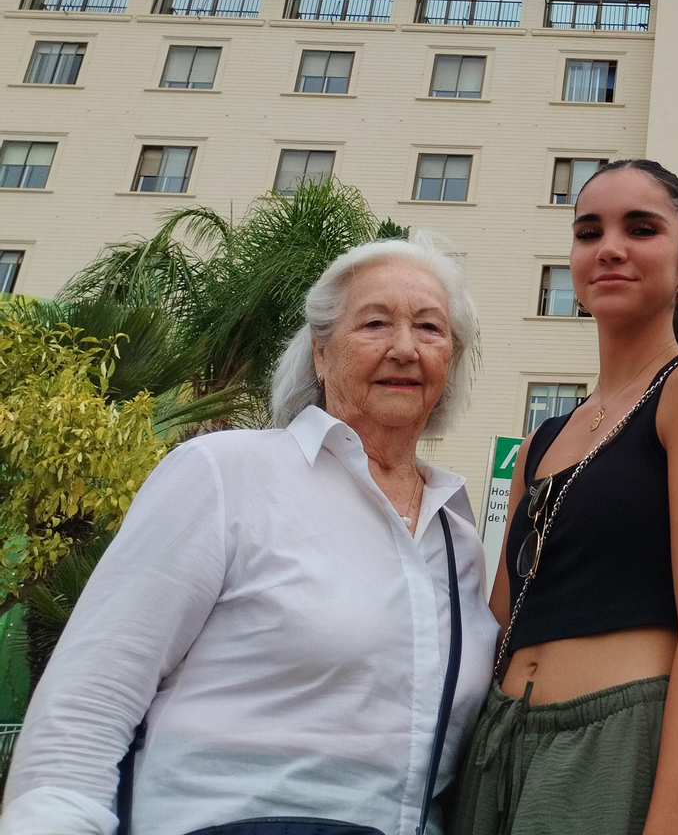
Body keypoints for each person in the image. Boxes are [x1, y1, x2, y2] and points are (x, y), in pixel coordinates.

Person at [0, 234, 499, 834]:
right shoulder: (225, 473)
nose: (403, 349)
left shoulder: (457, 539)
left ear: (453, 359)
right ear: (320, 351)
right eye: (373, 324)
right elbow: (86, 706)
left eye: (429, 328)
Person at [452, 159, 678, 835]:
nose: (609, 246)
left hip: (608, 742)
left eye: (640, 228)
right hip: (495, 745)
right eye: (589, 231)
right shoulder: (541, 440)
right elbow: (496, 618)